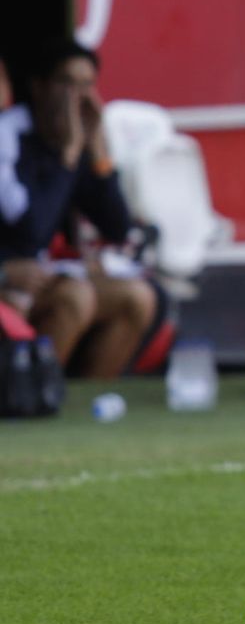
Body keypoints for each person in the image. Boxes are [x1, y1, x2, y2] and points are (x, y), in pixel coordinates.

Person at [0, 40, 157, 379]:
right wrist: (68, 156)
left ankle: (87, 406)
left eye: (87, 86)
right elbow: (30, 232)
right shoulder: (10, 135)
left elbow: (117, 227)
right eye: (67, 84)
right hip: (8, 278)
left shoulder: (74, 139)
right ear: (40, 87)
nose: (78, 97)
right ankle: (35, 395)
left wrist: (98, 152)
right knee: (75, 297)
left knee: (137, 297)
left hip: (42, 278)